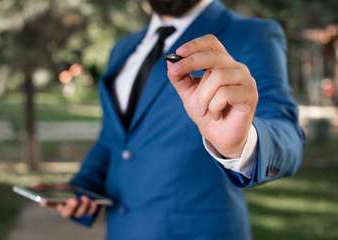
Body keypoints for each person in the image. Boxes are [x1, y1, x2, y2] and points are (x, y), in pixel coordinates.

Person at [40, 0, 306, 239]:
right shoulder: (122, 49)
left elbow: (288, 135)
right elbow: (114, 140)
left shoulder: (253, 34)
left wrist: (242, 144)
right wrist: (83, 189)